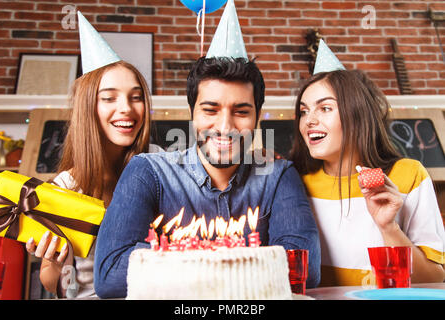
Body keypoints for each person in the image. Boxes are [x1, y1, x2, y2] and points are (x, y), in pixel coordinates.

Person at [93, 56, 321, 298]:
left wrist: (173, 259)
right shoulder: (148, 172)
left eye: (241, 112)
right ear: (192, 112)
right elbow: (111, 274)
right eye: (210, 110)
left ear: (257, 116)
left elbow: (302, 271)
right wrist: (246, 261)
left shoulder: (278, 176)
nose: (224, 126)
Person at [291, 68, 445, 286]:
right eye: (304, 111)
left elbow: (434, 279)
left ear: (358, 114)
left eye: (325, 108)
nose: (308, 121)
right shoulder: (295, 182)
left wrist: (388, 227)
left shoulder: (407, 175)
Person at [25, 60, 153, 298]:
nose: (126, 108)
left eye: (136, 97)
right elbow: (58, 285)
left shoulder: (157, 162)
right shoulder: (65, 187)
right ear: (88, 107)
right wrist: (55, 262)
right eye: (109, 98)